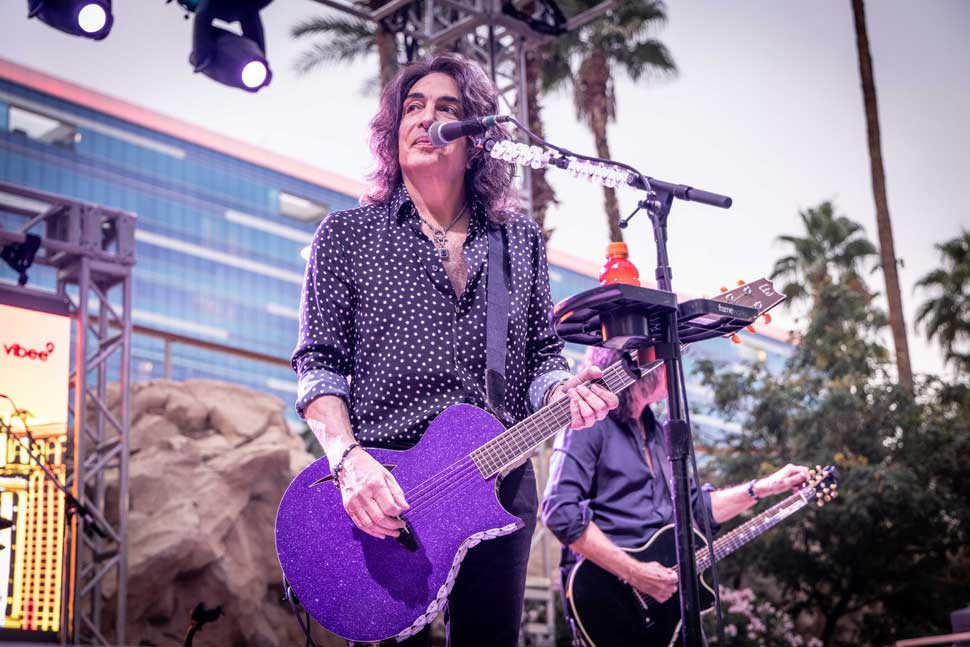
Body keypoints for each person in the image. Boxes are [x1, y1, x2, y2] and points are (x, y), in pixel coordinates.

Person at [291, 52, 618, 647]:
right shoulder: (346, 236)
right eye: (412, 107)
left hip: (498, 479)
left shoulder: (517, 241)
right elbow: (317, 366)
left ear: (475, 139)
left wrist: (561, 390)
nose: (426, 118)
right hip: (388, 488)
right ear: (392, 132)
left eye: (448, 109)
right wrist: (347, 461)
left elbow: (542, 355)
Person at [541, 346, 810, 643]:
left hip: (669, 606)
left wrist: (764, 487)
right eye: (667, 358)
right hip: (609, 599)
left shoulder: (658, 432)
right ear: (642, 366)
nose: (676, 368)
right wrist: (635, 572)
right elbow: (559, 511)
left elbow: (694, 509)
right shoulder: (590, 425)